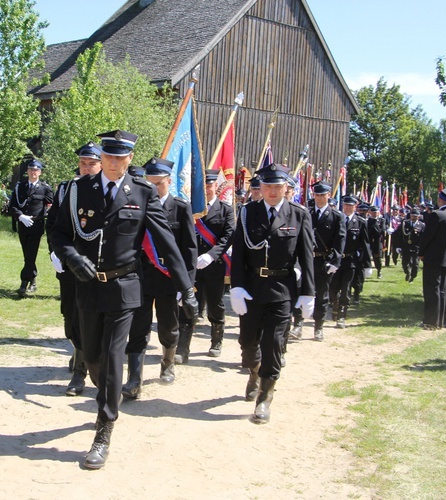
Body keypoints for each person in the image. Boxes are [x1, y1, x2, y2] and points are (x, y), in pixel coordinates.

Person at [51, 130, 198, 470]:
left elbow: (168, 246)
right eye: (108, 157)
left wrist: (187, 289)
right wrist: (72, 256)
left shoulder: (142, 193)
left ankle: (104, 429)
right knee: (92, 358)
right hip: (88, 287)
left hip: (124, 289)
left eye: (121, 157)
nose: (114, 163)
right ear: (100, 157)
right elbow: (57, 231)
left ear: (130, 159)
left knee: (114, 356)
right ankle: (105, 393)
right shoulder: (76, 191)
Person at [230, 163, 315, 424]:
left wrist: (307, 292)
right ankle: (254, 374)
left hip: (282, 290)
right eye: (267, 186)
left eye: (277, 187)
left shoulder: (298, 214)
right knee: (247, 344)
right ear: (260, 188)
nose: (272, 191)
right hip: (253, 288)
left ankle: (265, 398)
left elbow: (306, 254)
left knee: (274, 343)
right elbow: (240, 253)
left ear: (286, 188)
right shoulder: (247, 213)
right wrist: (236, 286)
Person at [122, 156, 197, 398]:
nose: (154, 188)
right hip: (141, 277)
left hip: (168, 279)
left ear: (169, 181)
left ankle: (168, 363)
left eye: (159, 184)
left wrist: (185, 284)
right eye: (150, 183)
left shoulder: (181, 208)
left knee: (168, 327)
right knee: (138, 328)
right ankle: (134, 379)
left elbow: (189, 250)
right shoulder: (137, 203)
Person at [46, 142, 102, 396]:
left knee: (85, 317)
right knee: (70, 318)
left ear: (101, 164)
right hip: (69, 263)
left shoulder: (107, 190)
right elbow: (54, 224)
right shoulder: (67, 189)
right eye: (83, 163)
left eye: (92, 163)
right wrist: (54, 253)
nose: (87, 168)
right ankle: (79, 350)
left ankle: (81, 371)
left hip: (95, 266)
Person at [179, 169, 235, 359]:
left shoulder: (226, 210)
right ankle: (183, 348)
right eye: (203, 186)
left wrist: (210, 256)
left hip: (214, 265)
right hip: (192, 266)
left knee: (215, 305)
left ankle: (216, 341)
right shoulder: (190, 208)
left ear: (216, 187)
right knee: (188, 304)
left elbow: (228, 236)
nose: (206, 189)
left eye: (209, 185)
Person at [294, 181, 345, 342]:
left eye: (323, 195)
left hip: (324, 261)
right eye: (317, 195)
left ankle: (318, 327)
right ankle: (298, 324)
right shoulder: (306, 213)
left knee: (322, 296)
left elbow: (340, 241)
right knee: (301, 292)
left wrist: (335, 262)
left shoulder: (337, 216)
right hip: (306, 260)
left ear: (329, 196)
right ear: (313, 195)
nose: (320, 198)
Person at [10, 159, 53, 298]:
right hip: (23, 223)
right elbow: (13, 206)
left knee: (31, 254)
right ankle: (33, 280)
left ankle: (24, 283)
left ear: (40, 172)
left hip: (36, 225)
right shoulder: (20, 187)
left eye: (36, 170)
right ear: (27, 172)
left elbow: (51, 205)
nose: (33, 172)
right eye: (31, 170)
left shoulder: (45, 188)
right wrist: (20, 216)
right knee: (27, 255)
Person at [417, 188, 446, 330]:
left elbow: (427, 237)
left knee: (431, 290)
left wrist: (421, 252)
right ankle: (442, 321)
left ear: (440, 200)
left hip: (433, 258)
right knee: (443, 290)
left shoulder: (437, 215)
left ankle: (431, 321)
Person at [329, 195, 372, 329]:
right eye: (346, 205)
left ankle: (342, 315)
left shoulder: (360, 222)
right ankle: (335, 307)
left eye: (350, 205)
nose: (347, 208)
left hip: (351, 260)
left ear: (355, 207)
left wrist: (367, 264)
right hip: (336, 260)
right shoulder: (336, 219)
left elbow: (365, 244)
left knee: (346, 288)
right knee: (333, 288)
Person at [400, 209, 425, 283]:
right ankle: (408, 272)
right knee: (405, 263)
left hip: (416, 247)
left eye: (415, 216)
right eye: (412, 216)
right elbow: (400, 235)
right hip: (406, 246)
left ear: (418, 217)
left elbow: (423, 238)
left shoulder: (422, 225)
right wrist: (398, 246)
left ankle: (413, 276)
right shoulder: (405, 223)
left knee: (415, 264)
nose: (413, 218)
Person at [367, 205, 386, 278]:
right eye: (373, 212)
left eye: (376, 212)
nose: (374, 214)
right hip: (369, 240)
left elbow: (382, 230)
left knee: (377, 256)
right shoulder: (368, 220)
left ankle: (379, 270)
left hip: (377, 241)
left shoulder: (381, 220)